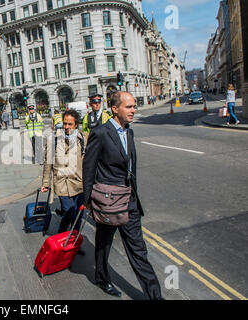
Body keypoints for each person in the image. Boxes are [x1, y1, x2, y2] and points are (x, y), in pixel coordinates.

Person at [82, 91, 163, 300]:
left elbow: (131, 167)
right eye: (129, 107)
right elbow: (89, 168)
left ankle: (154, 295)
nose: (133, 110)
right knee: (103, 244)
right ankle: (101, 278)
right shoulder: (100, 133)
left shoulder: (129, 132)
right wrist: (88, 200)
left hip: (129, 200)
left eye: (134, 106)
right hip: (108, 201)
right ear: (115, 109)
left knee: (138, 250)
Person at [41, 110, 86, 240]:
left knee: (78, 214)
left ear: (76, 125)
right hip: (62, 183)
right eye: (65, 124)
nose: (66, 127)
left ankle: (74, 240)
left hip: (78, 183)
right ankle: (62, 233)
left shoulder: (82, 139)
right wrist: (45, 183)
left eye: (70, 124)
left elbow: (87, 164)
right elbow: (47, 163)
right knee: (69, 211)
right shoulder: (54, 139)